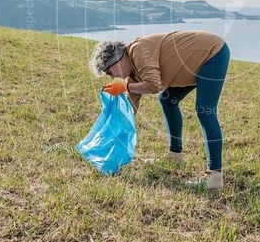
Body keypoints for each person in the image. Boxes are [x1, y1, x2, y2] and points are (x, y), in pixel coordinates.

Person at [89, 31, 230, 190]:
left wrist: (123, 87)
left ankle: (215, 176)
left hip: (213, 53)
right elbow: (130, 111)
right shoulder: (132, 74)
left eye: (110, 71)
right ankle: (175, 155)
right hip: (194, 65)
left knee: (205, 110)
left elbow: (153, 85)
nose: (112, 77)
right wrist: (113, 139)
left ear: (118, 59)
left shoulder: (138, 50)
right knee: (167, 100)